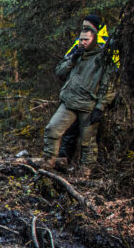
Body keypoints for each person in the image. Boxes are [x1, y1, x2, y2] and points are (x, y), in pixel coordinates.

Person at [43, 27, 117, 172]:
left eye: (86, 40)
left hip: (89, 105)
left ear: (94, 40)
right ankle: (47, 166)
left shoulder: (103, 58)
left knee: (87, 142)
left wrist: (100, 107)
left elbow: (108, 86)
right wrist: (72, 59)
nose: (82, 42)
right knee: (52, 129)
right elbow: (59, 72)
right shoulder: (76, 54)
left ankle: (85, 173)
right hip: (69, 102)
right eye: (81, 39)